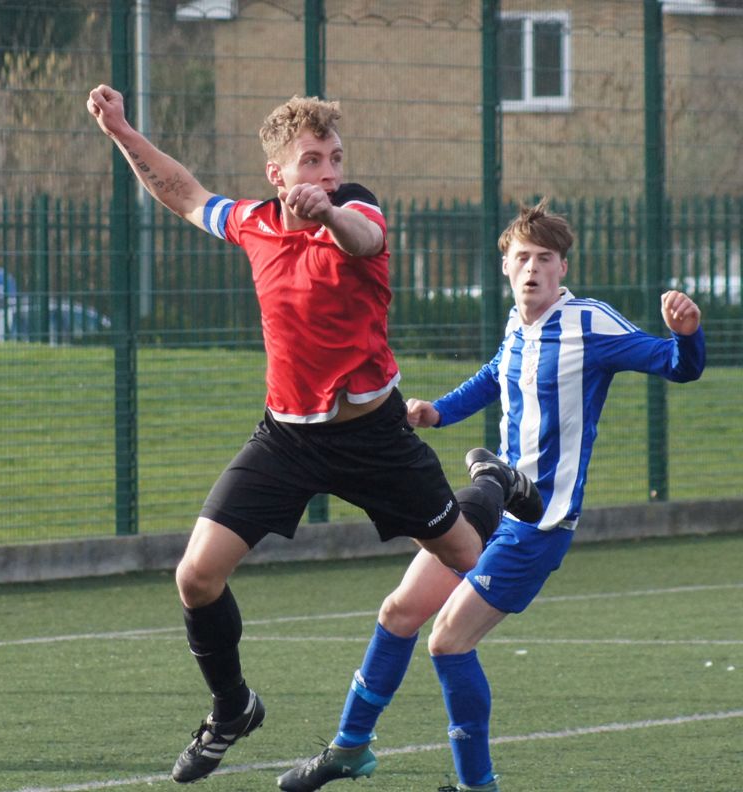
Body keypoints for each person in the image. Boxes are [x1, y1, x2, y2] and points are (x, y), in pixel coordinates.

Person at [86, 86, 543, 784]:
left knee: (464, 549)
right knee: (196, 576)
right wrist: (122, 130)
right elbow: (184, 193)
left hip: (374, 437)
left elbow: (364, 236)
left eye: (334, 157)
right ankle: (232, 708)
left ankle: (493, 480)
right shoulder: (253, 223)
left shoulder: (355, 207)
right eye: (311, 161)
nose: (327, 171)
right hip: (287, 438)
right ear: (278, 174)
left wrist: (329, 209)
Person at [277, 200, 706, 792]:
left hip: (538, 525)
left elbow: (676, 366)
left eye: (546, 259)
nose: (533, 268)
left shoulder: (591, 323)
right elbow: (495, 374)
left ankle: (477, 786)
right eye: (523, 257)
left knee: (448, 642)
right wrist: (438, 411)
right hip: (489, 504)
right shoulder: (516, 324)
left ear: (562, 269)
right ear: (505, 265)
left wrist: (687, 335)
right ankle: (348, 749)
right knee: (399, 612)